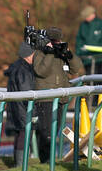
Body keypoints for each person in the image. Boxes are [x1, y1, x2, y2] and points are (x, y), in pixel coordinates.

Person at [31, 27, 72, 163]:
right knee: (47, 131)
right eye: (54, 42)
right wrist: (49, 53)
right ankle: (46, 161)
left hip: (60, 98)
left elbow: (75, 68)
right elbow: (41, 71)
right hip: (46, 97)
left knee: (54, 130)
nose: (56, 44)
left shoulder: (60, 53)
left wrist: (69, 55)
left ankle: (49, 160)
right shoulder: (39, 53)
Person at [4, 43, 38, 163]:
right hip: (22, 108)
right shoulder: (24, 70)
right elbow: (26, 92)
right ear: (28, 55)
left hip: (16, 106)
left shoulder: (18, 67)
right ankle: (21, 164)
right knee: (24, 134)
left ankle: (19, 162)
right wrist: (33, 110)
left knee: (20, 134)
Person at [76, 6, 102, 77]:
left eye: (87, 16)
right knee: (88, 77)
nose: (86, 18)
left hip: (99, 58)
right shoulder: (83, 26)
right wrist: (79, 52)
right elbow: (79, 40)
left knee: (98, 77)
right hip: (86, 58)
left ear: (93, 14)